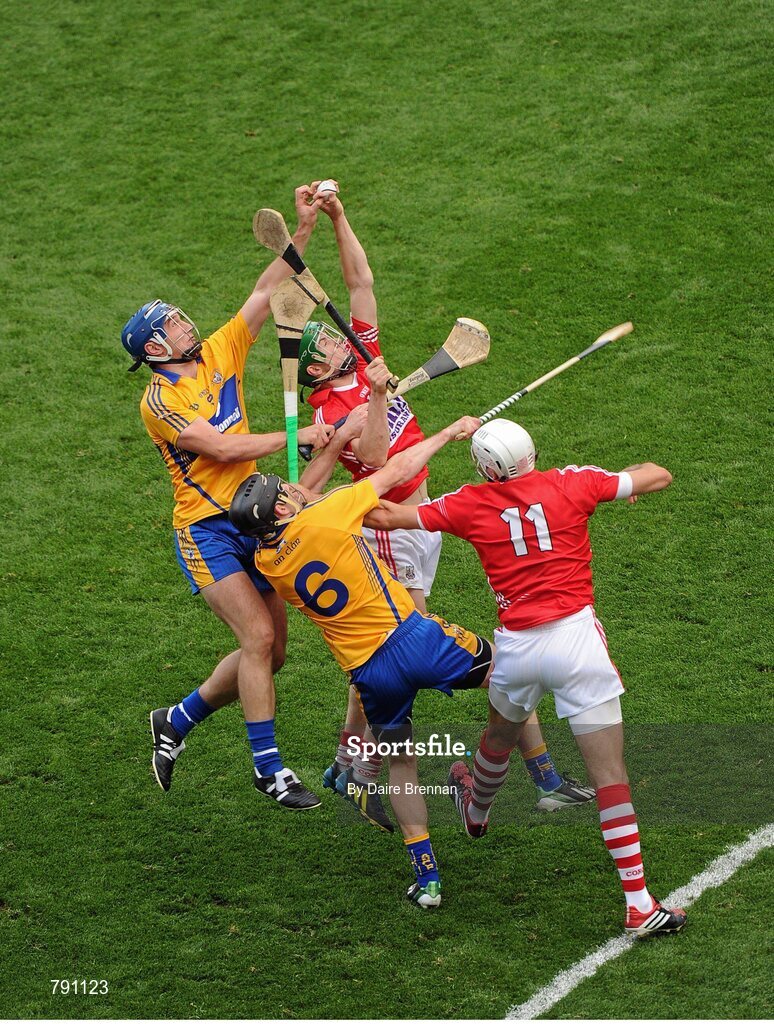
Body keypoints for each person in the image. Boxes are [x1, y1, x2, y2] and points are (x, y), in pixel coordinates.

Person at [296, 182, 594, 822]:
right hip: (390, 532)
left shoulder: (365, 357)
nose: (334, 339)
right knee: (397, 651)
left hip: (423, 519)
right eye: (322, 345)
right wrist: (401, 410)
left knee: (409, 653)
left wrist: (340, 217)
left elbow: (359, 284)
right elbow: (378, 461)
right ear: (315, 374)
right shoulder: (331, 410)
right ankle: (370, 769)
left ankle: (350, 763)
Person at [367, 417, 688, 936]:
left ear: (486, 467)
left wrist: (337, 499)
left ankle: (476, 809)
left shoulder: (467, 503)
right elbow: (658, 475)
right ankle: (638, 903)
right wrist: (623, 480)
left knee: (499, 734)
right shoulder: (573, 482)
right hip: (577, 643)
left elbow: (387, 517)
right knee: (611, 778)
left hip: (516, 646)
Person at [121, 186, 334, 811]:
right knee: (256, 641)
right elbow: (219, 448)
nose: (189, 321)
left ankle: (176, 720)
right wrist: (300, 434)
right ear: (156, 349)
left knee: (276, 650)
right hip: (207, 530)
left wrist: (304, 227)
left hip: (253, 515)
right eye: (175, 323)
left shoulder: (217, 351)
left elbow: (268, 290)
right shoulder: (158, 401)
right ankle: (270, 770)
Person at [229, 415, 489, 908]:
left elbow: (303, 509)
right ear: (282, 507)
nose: (292, 487)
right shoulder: (327, 515)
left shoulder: (266, 561)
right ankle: (485, 783)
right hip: (415, 638)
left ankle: (428, 878)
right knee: (513, 677)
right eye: (284, 489)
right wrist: (445, 433)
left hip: (370, 675)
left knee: (401, 766)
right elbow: (396, 470)